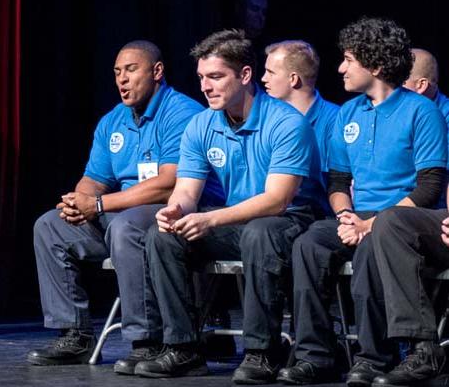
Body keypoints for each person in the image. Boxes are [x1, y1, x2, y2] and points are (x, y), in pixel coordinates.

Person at [135, 29, 325, 381]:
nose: (206, 86)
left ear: (246, 76)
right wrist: (175, 211)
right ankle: (183, 348)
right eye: (202, 78)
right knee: (162, 236)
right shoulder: (201, 124)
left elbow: (277, 200)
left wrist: (211, 221)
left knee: (260, 233)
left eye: (216, 77)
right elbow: (187, 191)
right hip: (232, 220)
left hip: (289, 220)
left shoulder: (286, 123)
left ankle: (261, 352)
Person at [27, 41, 221, 369]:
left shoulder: (182, 113)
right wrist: (79, 202)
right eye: (117, 72)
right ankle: (75, 333)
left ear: (157, 72)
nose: (122, 79)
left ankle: (146, 340)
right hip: (117, 213)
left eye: (131, 70)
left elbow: (169, 183)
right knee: (50, 225)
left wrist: (99, 205)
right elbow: (93, 179)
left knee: (125, 225)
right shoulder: (113, 121)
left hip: (171, 212)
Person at [278, 18, 448, 387]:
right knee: (308, 243)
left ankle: (374, 358)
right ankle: (316, 354)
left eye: (349, 60)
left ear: (375, 65)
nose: (340, 68)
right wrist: (344, 215)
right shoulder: (348, 114)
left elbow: (429, 187)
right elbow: (337, 182)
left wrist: (368, 226)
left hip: (403, 217)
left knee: (376, 241)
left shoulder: (422, 112)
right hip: (356, 216)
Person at [356, 48, 449, 386]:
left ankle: (417, 349)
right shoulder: (364, 114)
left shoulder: (429, 115)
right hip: (421, 222)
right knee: (389, 223)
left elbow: (432, 184)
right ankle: (418, 350)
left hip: (424, 214)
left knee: (390, 222)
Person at [261, 40, 339, 183]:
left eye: (271, 72)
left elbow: (337, 181)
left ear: (293, 79)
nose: (263, 78)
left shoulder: (336, 120)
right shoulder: (266, 118)